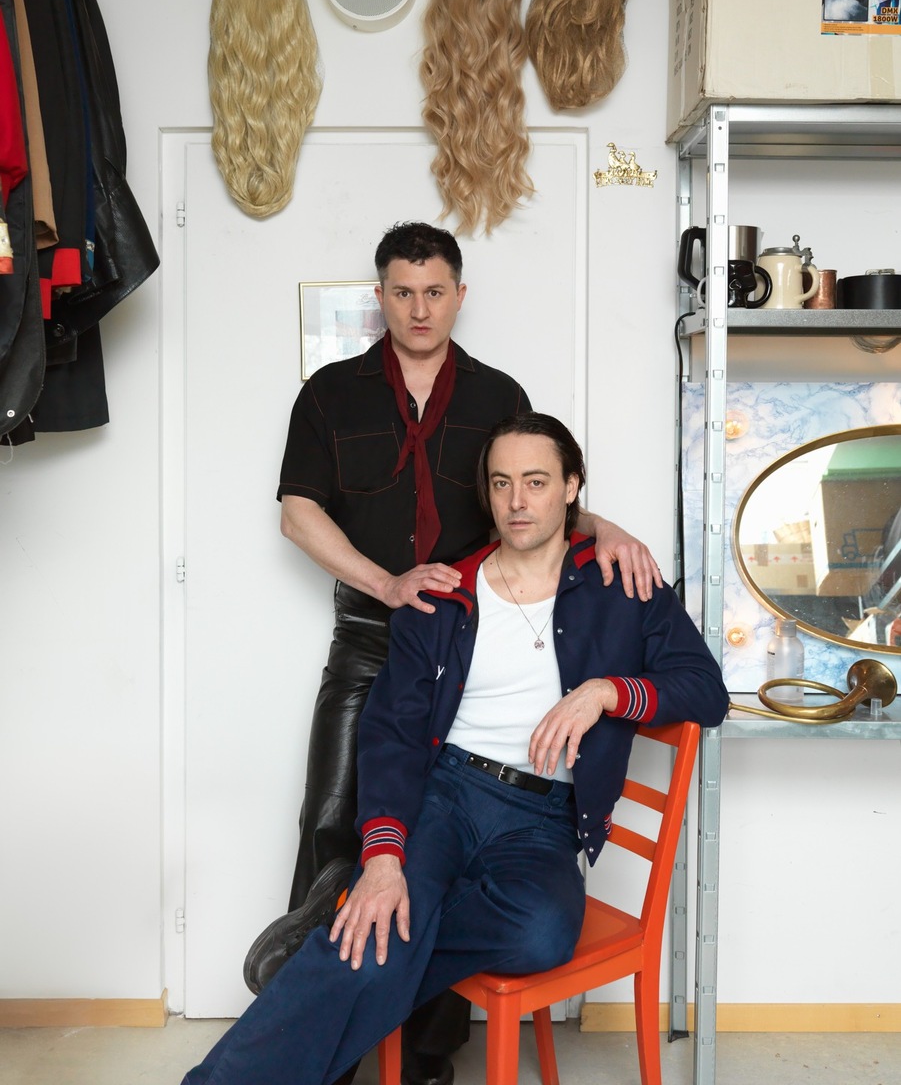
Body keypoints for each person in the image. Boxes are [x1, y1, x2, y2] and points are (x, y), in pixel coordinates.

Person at [182, 412, 728, 1085]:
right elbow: (391, 732)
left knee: (534, 935)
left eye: (535, 482)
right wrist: (384, 857)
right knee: (378, 930)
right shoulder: (442, 596)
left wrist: (605, 693)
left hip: (544, 820)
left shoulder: (622, 584)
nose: (517, 501)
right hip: (444, 797)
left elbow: (706, 691)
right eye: (501, 483)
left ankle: (330, 938)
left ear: (571, 488)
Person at [243, 222, 661, 1085]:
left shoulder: (498, 394)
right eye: (402, 292)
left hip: (464, 643)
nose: (419, 308)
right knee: (333, 817)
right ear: (380, 297)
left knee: (438, 846)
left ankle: (428, 1051)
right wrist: (386, 583)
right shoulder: (330, 393)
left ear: (459, 296)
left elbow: (534, 494)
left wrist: (608, 526)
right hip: (372, 632)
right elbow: (297, 513)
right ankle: (321, 1037)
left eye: (435, 292)